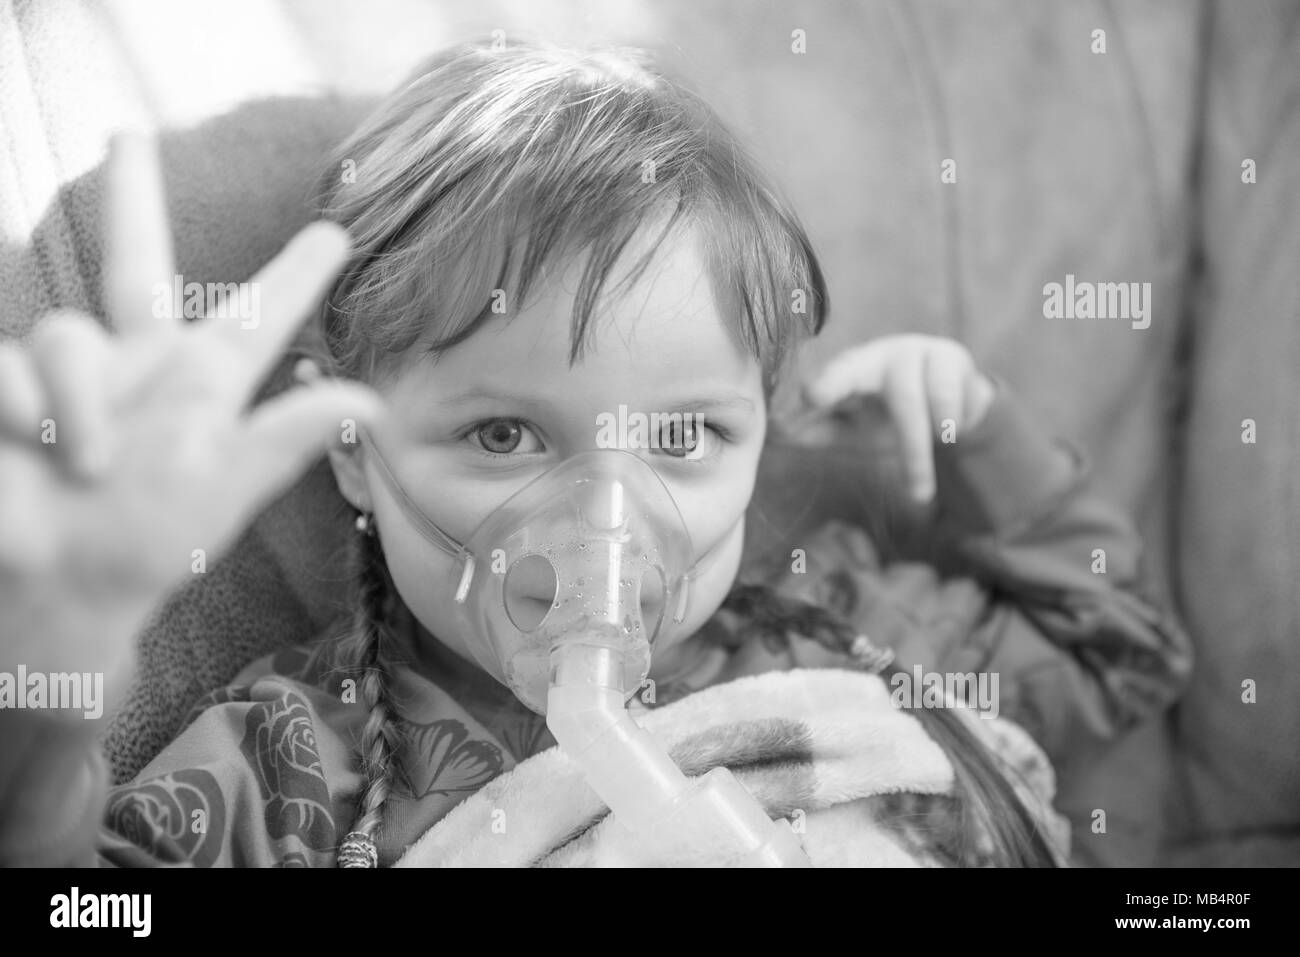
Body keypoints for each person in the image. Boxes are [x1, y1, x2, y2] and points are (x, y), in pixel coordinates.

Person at [0, 40, 1190, 868]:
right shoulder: (290, 773)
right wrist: (56, 661)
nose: (604, 523)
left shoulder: (847, 646)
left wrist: (981, 440)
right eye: (504, 434)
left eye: (683, 436)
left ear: (762, 435)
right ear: (355, 454)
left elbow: (1117, 657)